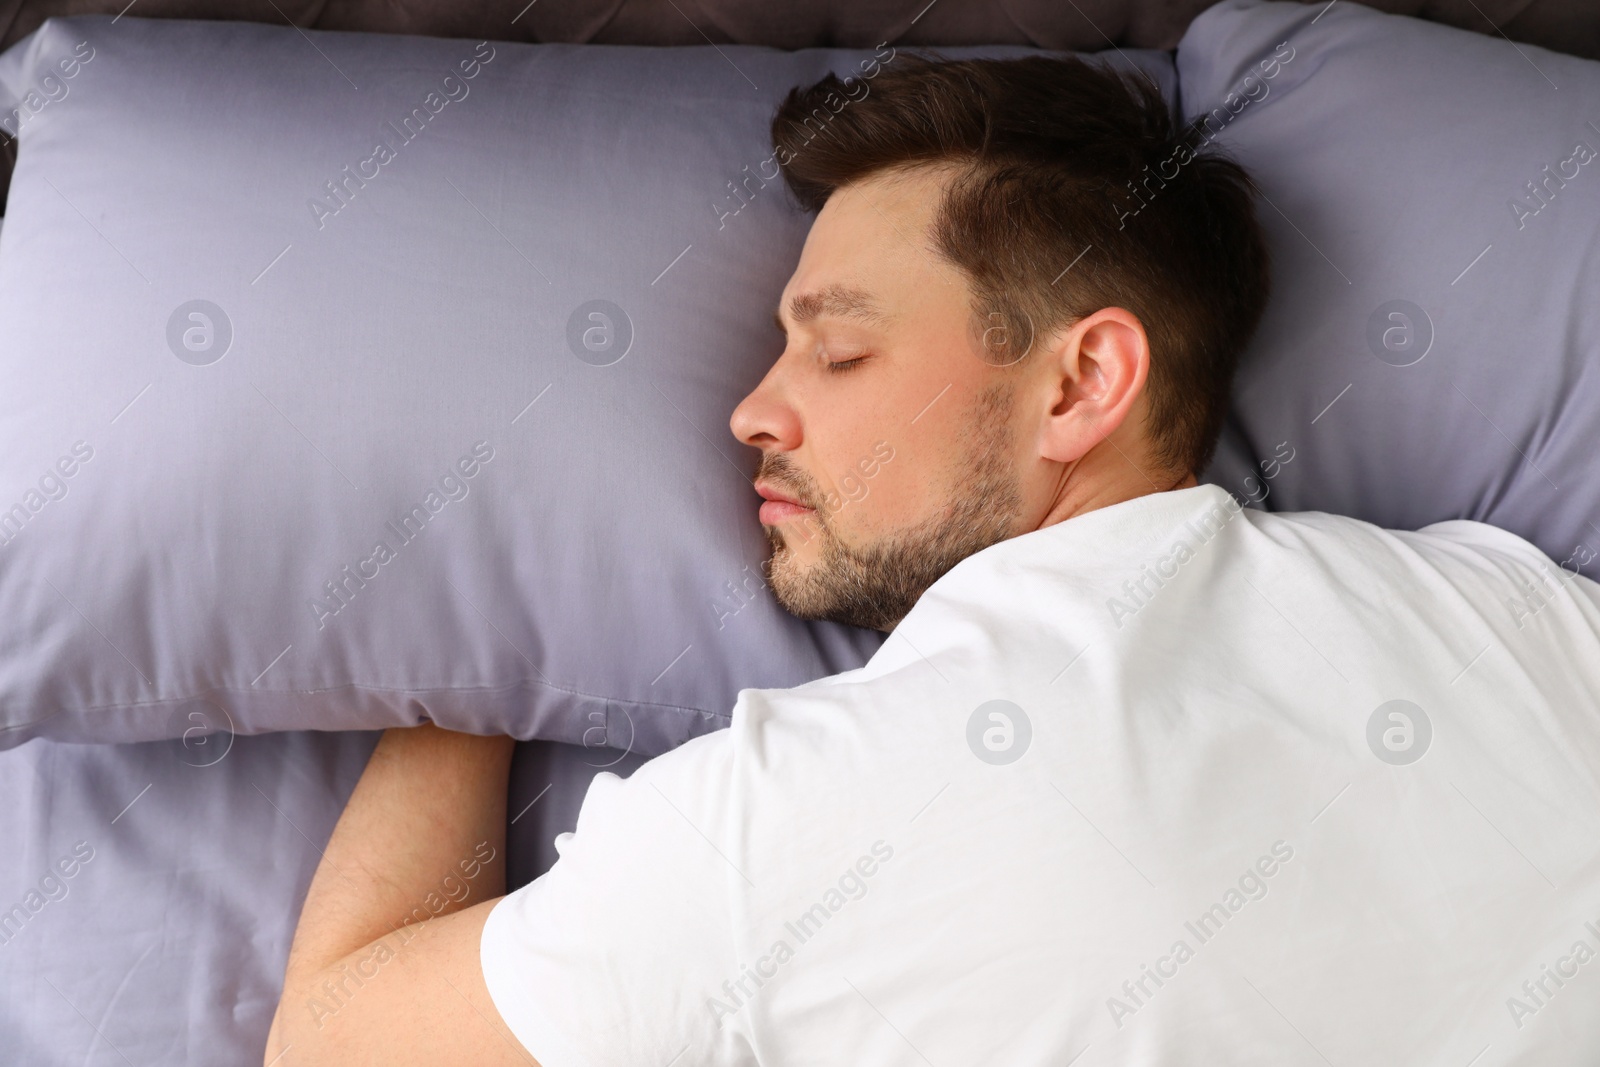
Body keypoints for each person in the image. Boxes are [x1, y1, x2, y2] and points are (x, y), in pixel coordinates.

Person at [264, 55, 1600, 1066]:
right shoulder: (1509, 610)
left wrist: (456, 605)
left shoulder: (787, 824)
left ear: (1082, 382)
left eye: (838, 348)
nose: (754, 411)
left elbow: (329, 1042)